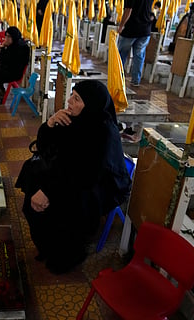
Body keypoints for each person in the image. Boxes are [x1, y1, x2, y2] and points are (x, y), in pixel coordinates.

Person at [16, 80, 132, 274]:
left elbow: (85, 174)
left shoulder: (103, 132)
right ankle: (47, 244)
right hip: (71, 176)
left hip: (94, 187)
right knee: (33, 183)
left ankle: (65, 256)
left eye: (76, 99)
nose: (69, 101)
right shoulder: (75, 119)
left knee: (64, 208)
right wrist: (51, 123)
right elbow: (45, 147)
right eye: (72, 95)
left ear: (91, 105)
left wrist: (48, 192)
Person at [0, 26, 30, 106]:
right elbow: (2, 60)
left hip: (13, 73)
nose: (6, 38)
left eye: (8, 36)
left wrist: (3, 48)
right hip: (7, 69)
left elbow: (6, 60)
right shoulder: (13, 45)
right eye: (6, 36)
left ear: (13, 37)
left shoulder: (20, 48)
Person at [117, 0, 154, 87]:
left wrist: (121, 26)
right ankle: (136, 80)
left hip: (131, 29)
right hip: (145, 30)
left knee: (121, 55)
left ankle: (118, 78)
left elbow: (128, 10)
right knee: (139, 56)